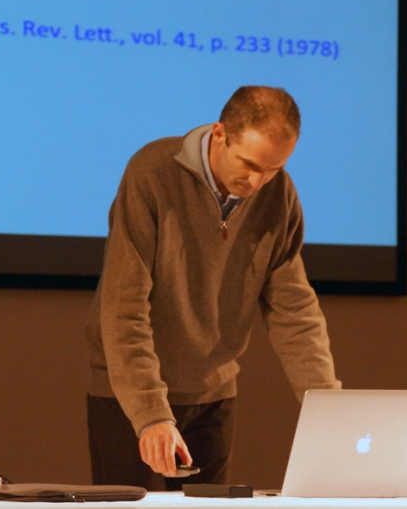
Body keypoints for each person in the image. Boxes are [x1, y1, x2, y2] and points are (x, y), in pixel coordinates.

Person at [85, 86, 341, 490]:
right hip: (129, 396)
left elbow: (294, 310)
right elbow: (123, 307)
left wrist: (329, 403)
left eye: (273, 169)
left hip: (213, 396)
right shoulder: (152, 173)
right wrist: (151, 412)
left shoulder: (279, 195)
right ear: (220, 134)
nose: (258, 182)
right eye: (250, 164)